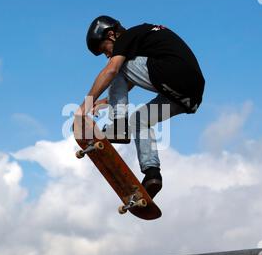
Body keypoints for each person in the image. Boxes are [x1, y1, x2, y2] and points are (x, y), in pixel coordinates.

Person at [76, 15, 205, 199]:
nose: (107, 54)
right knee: (139, 121)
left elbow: (113, 70)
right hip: (190, 95)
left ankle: (118, 126)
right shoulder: (143, 41)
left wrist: (84, 106)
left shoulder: (127, 37)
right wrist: (106, 101)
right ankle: (152, 174)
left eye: (105, 49)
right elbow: (135, 75)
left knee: (114, 66)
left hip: (173, 73)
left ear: (111, 35)